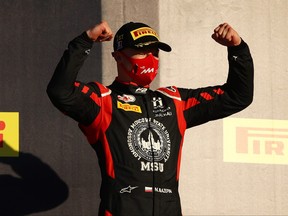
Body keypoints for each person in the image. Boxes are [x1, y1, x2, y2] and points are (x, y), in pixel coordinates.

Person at [47, 20, 253, 216]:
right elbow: (60, 91)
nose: (150, 57)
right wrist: (85, 40)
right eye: (141, 51)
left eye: (154, 52)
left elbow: (237, 96)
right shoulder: (103, 100)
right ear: (118, 56)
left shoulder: (174, 101)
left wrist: (237, 49)